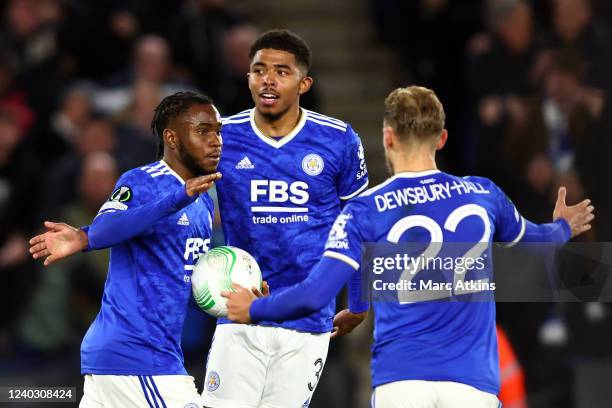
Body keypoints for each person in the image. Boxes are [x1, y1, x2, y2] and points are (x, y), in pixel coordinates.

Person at [223, 86, 594, 408]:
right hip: (472, 383)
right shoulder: (483, 194)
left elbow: (314, 293)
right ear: (443, 138)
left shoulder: (365, 209)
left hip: (402, 381)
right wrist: (564, 226)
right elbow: (536, 241)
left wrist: (254, 308)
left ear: (388, 137)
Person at [203, 28, 370, 408]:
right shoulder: (221, 138)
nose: (268, 79)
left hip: (307, 319)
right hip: (240, 313)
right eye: (259, 69)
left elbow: (358, 226)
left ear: (304, 83)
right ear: (247, 78)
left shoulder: (338, 140)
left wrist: (359, 303)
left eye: (281, 71)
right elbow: (186, 202)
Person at [29, 91, 223, 407]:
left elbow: (186, 286)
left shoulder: (202, 202)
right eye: (203, 131)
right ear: (172, 138)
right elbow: (104, 229)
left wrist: (234, 296)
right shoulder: (142, 181)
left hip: (147, 357)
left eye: (218, 131)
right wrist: (176, 198)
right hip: (136, 357)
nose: (215, 140)